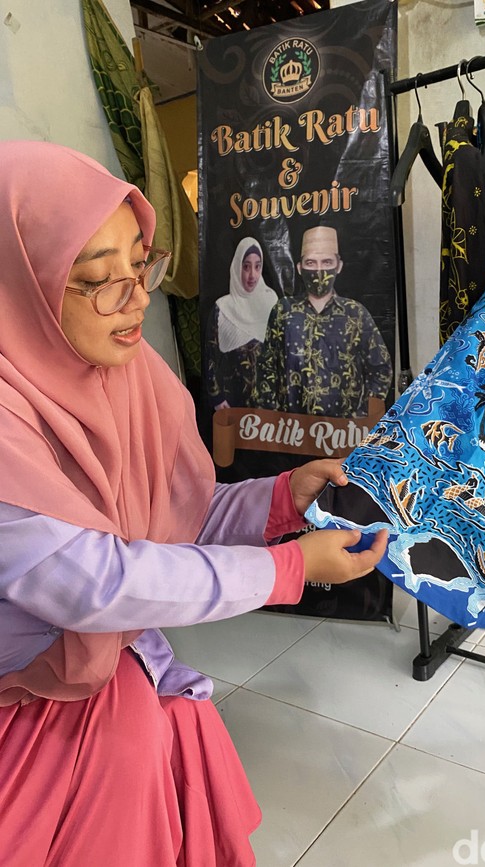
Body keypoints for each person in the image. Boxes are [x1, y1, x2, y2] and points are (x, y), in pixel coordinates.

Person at [0, 140, 387, 867]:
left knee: (159, 730)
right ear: (21, 281)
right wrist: (286, 571)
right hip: (21, 703)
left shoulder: (129, 372)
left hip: (111, 668)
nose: (137, 298)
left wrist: (282, 496)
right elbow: (98, 580)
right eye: (98, 278)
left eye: (139, 262)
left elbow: (176, 517)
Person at [255, 225, 393, 417]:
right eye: (311, 263)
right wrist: (274, 417)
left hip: (344, 436)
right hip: (292, 433)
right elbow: (266, 366)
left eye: (327, 262)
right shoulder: (283, 311)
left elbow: (381, 369)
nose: (319, 270)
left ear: (339, 266)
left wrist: (361, 418)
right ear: (299, 267)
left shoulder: (356, 314)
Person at [206, 237, 278, 410]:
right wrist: (217, 398)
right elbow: (210, 357)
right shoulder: (222, 308)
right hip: (232, 404)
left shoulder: (271, 301)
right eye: (246, 266)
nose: (252, 275)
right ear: (237, 266)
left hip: (270, 403)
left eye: (257, 266)